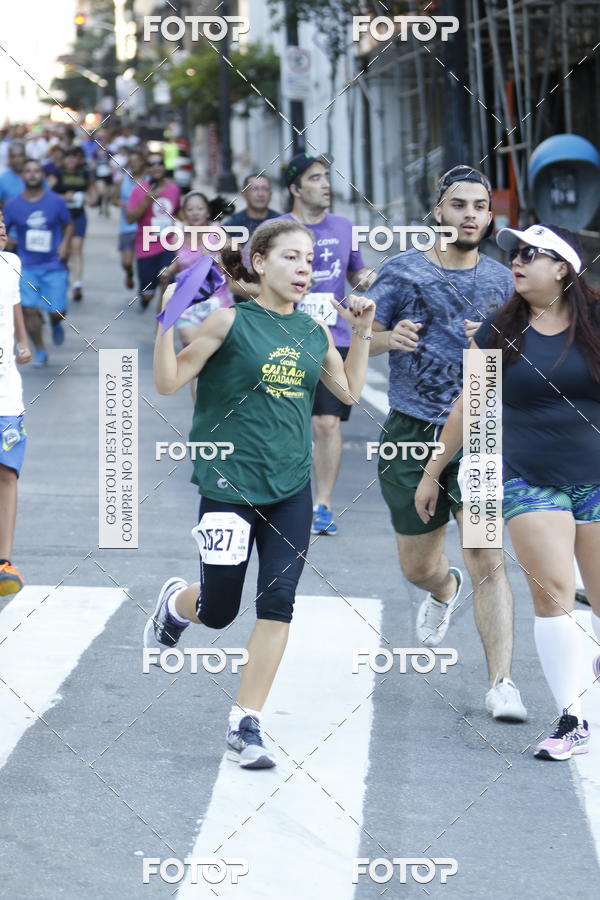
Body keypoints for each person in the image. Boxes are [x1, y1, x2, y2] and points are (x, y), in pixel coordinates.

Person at [145, 218, 375, 768]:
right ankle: (177, 605)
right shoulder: (227, 322)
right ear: (259, 262)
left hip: (290, 487)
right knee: (219, 610)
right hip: (228, 484)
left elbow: (347, 391)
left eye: (307, 260)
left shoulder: (315, 332)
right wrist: (164, 323)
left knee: (278, 604)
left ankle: (244, 724)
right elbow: (169, 382)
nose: (303, 269)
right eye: (290, 258)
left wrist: (363, 331)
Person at [416, 224, 600, 759]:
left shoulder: (595, 323)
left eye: (530, 254)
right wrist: (433, 471)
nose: (516, 262)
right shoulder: (500, 328)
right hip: (528, 480)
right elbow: (469, 406)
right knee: (556, 596)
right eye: (514, 254)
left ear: (563, 267)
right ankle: (571, 719)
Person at [369, 165, 525, 721]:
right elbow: (356, 343)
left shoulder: (504, 282)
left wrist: (497, 347)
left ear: (489, 215)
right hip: (412, 431)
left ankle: (501, 683)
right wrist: (389, 337)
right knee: (418, 567)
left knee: (487, 557)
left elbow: (529, 358)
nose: (470, 216)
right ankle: (442, 588)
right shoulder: (401, 271)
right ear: (438, 212)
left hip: (480, 429)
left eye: (480, 207)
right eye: (459, 205)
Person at [279, 153, 376, 536]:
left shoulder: (343, 226)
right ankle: (284, 498)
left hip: (332, 340)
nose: (325, 184)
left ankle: (322, 505)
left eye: (326, 177)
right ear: (295, 188)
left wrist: (368, 278)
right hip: (284, 337)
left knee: (327, 422)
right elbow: (248, 280)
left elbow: (357, 269)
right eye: (315, 178)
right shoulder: (277, 229)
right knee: (286, 425)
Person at [3, 159, 73, 366]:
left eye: (36, 171)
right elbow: (3, 228)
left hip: (54, 265)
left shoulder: (56, 201)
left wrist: (65, 244)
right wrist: (8, 241)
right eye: (28, 171)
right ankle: (40, 350)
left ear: (42, 175)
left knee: (57, 312)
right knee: (29, 309)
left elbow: (68, 224)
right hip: (27, 267)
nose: (32, 175)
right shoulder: (13, 205)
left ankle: (55, 323)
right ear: (22, 176)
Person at [159, 191, 233, 360]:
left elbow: (236, 262)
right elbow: (182, 262)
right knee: (194, 355)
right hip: (189, 304)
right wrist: (169, 270)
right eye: (190, 209)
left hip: (218, 303)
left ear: (207, 211)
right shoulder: (179, 238)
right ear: (184, 214)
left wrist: (216, 258)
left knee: (216, 358)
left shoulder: (217, 233)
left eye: (200, 208)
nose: (195, 213)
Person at [0, 211, 32, 596]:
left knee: (7, 472)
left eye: (4, 225)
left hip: (7, 391)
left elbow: (14, 304)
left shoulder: (11, 263)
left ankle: (3, 560)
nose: (2, 231)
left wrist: (23, 341)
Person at [126, 153, 180, 311]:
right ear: (147, 169)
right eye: (152, 164)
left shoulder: (174, 189)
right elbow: (130, 218)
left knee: (167, 286)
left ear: (164, 167)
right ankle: (145, 296)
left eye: (159, 163)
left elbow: (178, 212)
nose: (156, 167)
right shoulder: (138, 190)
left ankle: (161, 328)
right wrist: (146, 201)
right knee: (148, 295)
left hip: (168, 246)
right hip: (146, 248)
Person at [224, 174, 280, 302]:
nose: (260, 194)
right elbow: (233, 280)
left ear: (271, 194)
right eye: (254, 189)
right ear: (244, 193)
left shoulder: (282, 223)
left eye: (265, 189)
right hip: (244, 302)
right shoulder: (230, 228)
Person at [53, 147, 96, 302]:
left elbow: (92, 191)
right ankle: (62, 278)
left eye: (74, 157)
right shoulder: (57, 173)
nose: (71, 160)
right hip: (60, 218)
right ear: (64, 159)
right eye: (68, 157)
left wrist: (91, 199)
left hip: (78, 216)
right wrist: (63, 196)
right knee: (63, 251)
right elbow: (47, 193)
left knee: (76, 248)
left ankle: (77, 284)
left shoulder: (84, 173)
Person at [113, 148, 146, 291]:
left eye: (138, 161)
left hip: (144, 227)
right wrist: (125, 204)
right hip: (126, 226)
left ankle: (144, 287)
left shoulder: (149, 180)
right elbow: (114, 200)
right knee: (126, 262)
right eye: (132, 162)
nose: (135, 164)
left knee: (143, 262)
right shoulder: (122, 180)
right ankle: (129, 273)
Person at [0, 142, 26, 207]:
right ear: (9, 159)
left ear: (25, 156)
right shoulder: (2, 180)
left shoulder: (36, 175)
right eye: (13, 156)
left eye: (20, 155)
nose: (17, 159)